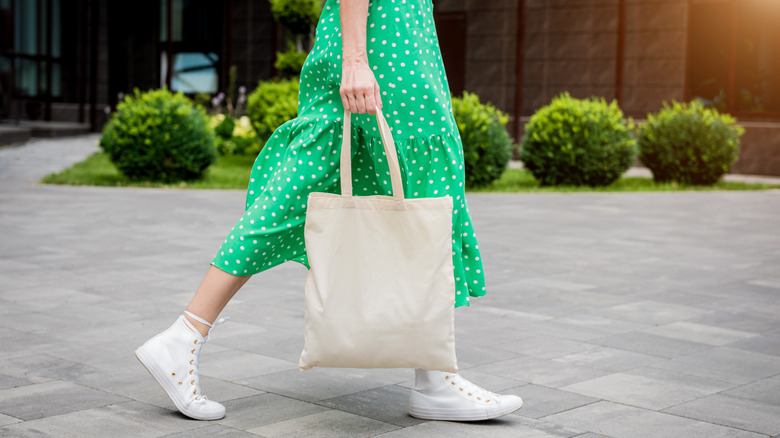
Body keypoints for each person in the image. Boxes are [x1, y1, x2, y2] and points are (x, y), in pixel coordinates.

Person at [135, 0, 523, 422]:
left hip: (392, 39)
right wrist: (356, 58)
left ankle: (435, 378)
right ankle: (183, 336)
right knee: (420, 197)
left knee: (331, 193)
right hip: (383, 42)